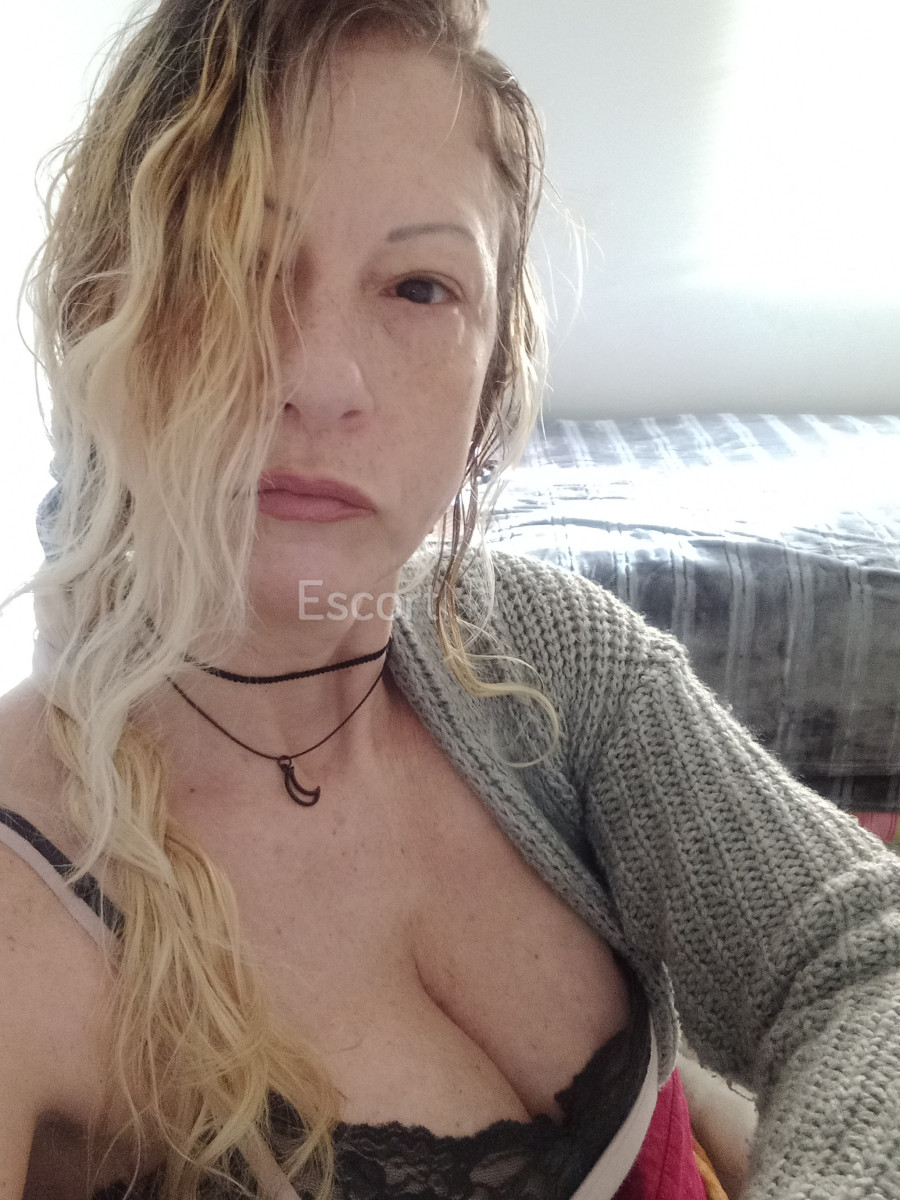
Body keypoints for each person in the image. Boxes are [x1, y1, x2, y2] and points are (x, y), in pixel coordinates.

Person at [1, 0, 898, 1197]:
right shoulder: (27, 904)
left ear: (491, 382)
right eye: (230, 267)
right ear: (98, 310)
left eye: (420, 287)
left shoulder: (537, 647)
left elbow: (856, 958)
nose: (321, 379)